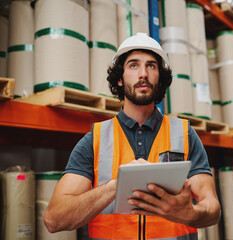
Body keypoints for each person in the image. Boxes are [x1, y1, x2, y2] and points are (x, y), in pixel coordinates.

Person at [44, 32, 221, 239]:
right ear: (119, 79)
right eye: (134, 65)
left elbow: (213, 209)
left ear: (160, 79)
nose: (143, 73)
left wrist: (190, 214)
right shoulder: (96, 139)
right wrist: (115, 186)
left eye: (151, 66)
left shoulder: (184, 134)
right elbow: (54, 219)